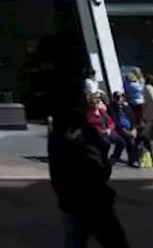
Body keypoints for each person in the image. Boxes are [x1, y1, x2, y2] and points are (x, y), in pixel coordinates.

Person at [48, 80, 130, 248]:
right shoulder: (82, 129)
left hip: (71, 200)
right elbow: (94, 161)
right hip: (93, 199)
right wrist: (104, 169)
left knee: (75, 240)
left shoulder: (57, 133)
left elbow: (55, 172)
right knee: (113, 239)